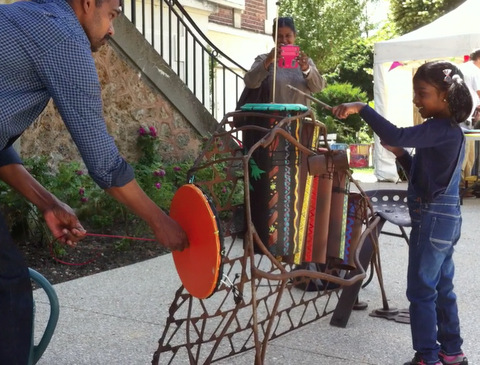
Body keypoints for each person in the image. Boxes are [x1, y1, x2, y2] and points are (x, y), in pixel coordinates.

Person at [0, 0, 188, 363]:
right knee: (8, 288)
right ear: (88, 4)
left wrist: (49, 203)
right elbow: (105, 165)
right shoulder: (65, 37)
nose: (113, 29)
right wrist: (160, 222)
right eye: (113, 14)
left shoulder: (21, 16)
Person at [332, 61, 470, 365]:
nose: (416, 100)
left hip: (433, 219)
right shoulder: (448, 132)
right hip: (444, 219)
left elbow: (397, 132)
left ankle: (427, 357)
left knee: (421, 291)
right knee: (442, 287)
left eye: (423, 94)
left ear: (445, 96)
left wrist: (361, 108)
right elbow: (422, 177)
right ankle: (452, 352)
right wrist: (400, 154)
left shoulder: (438, 128)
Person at [243, 16, 326, 106]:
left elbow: (318, 88)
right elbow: (250, 82)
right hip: (271, 117)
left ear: (295, 36)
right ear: (273, 37)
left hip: (299, 118)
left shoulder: (305, 62)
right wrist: (268, 60)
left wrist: (306, 69)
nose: (284, 40)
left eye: (288, 36)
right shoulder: (264, 59)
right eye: (279, 36)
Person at [457, 49, 480, 188]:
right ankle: (461, 185)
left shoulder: (462, 67)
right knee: (465, 151)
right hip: (467, 117)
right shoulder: (476, 71)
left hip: (459, 114)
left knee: (460, 149)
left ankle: (461, 184)